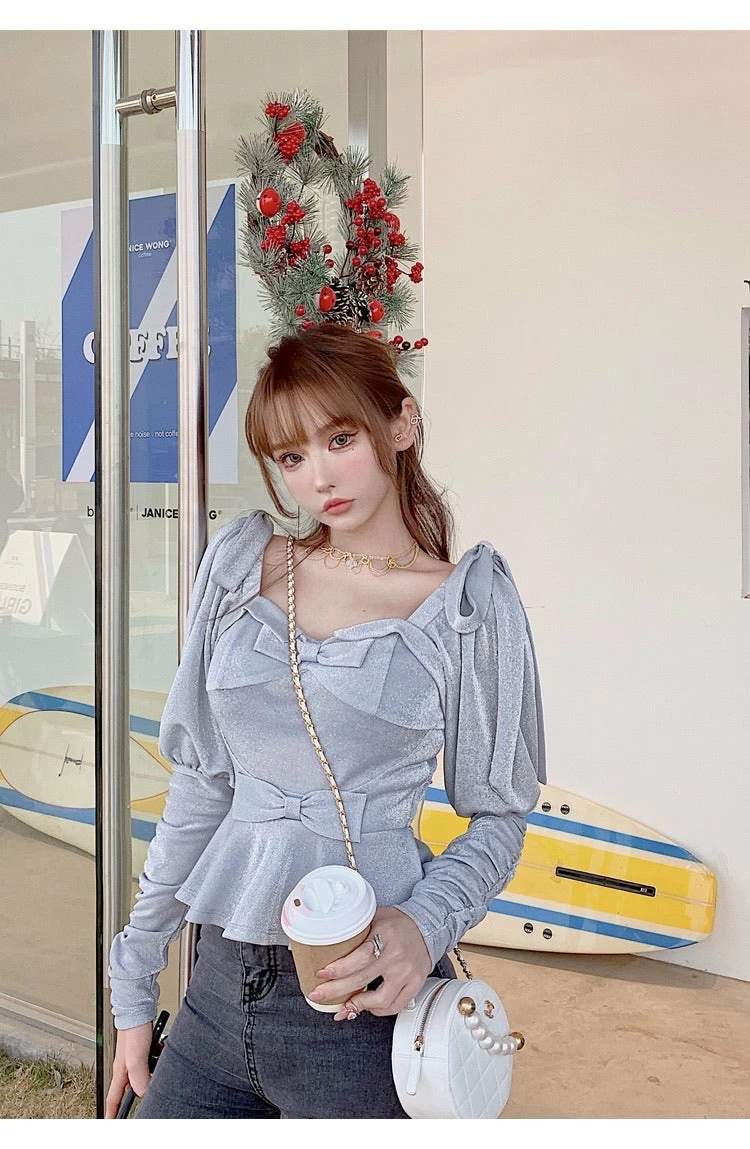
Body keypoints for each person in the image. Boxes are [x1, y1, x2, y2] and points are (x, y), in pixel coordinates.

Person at [105, 323, 546, 1119]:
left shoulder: (466, 605)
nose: (317, 477)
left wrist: (423, 923)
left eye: (340, 438)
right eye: (290, 456)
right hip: (217, 984)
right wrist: (136, 975)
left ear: (400, 424)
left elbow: (502, 814)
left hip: (358, 1006)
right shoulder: (241, 567)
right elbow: (203, 784)